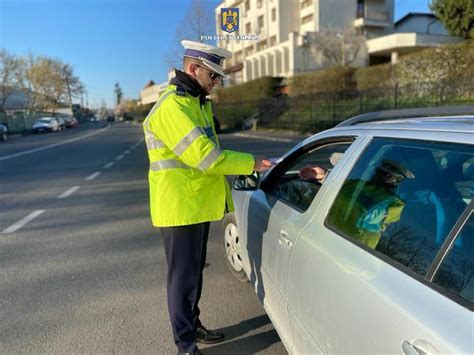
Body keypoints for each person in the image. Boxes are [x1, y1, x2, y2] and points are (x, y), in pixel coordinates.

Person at [142, 40, 272, 355]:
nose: (217, 82)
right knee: (182, 277)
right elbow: (207, 158)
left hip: (195, 204)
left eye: (219, 77)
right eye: (213, 76)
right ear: (192, 69)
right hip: (179, 207)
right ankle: (185, 344)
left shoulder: (197, 102)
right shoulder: (173, 106)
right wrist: (250, 163)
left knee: (192, 273)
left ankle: (192, 324)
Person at [302, 159, 414, 249]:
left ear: (397, 181)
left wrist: (335, 195)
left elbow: (364, 215)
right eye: (379, 171)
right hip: (325, 235)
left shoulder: (393, 203)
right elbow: (337, 186)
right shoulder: (358, 184)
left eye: (387, 175)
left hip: (350, 248)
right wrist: (324, 176)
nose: (379, 175)